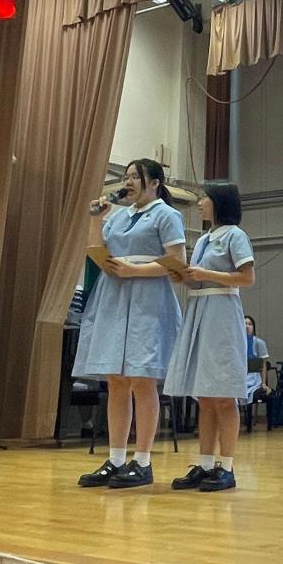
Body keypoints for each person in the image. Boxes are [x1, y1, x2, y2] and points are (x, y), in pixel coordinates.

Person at [74, 159, 185, 489]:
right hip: (115, 295)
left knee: (142, 379)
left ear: (155, 182)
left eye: (136, 176)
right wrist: (96, 218)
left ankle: (143, 461)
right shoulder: (119, 216)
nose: (129, 181)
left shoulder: (166, 215)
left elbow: (177, 262)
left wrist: (135, 270)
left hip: (148, 298)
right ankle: (116, 459)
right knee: (116, 380)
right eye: (127, 176)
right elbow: (97, 250)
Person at [165, 182, 255, 491]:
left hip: (222, 313)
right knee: (204, 395)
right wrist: (184, 277)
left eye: (205, 198)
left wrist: (206, 275)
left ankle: (226, 467)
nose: (200, 203)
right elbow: (201, 280)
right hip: (200, 310)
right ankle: (205, 465)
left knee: (224, 395)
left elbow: (247, 277)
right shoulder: (204, 239)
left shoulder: (235, 235)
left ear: (219, 203)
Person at [239, 315, 271, 408]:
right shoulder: (237, 344)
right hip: (240, 378)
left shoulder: (259, 343)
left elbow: (263, 365)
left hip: (254, 378)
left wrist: (264, 383)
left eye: (250, 324)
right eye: (245, 324)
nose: (247, 326)